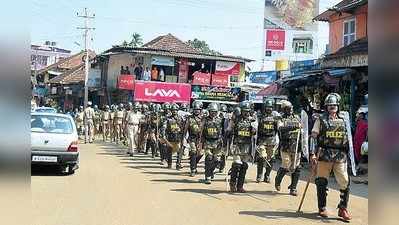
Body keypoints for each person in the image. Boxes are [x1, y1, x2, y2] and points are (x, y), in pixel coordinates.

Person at [310, 93, 352, 221]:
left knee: (344, 181)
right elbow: (313, 137)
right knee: (321, 181)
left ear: (338, 106)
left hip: (340, 155)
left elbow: (349, 137)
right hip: (324, 155)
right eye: (329, 106)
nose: (332, 108)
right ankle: (322, 207)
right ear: (326, 107)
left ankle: (343, 208)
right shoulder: (320, 119)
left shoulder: (345, 119)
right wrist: (312, 153)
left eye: (334, 105)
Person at [227, 101, 257, 192]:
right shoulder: (235, 119)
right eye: (244, 111)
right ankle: (232, 183)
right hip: (237, 144)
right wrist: (228, 132)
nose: (246, 113)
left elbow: (254, 132)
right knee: (237, 164)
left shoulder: (252, 120)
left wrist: (253, 129)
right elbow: (229, 128)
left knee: (244, 166)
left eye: (248, 111)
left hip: (247, 146)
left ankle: (240, 186)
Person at [274, 100, 302, 196]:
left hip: (296, 145)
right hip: (285, 145)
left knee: (296, 166)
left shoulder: (297, 117)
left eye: (291, 108)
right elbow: (280, 128)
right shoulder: (280, 118)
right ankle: (278, 180)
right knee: (286, 164)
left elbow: (302, 128)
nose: (290, 110)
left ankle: (293, 188)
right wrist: (292, 127)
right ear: (284, 109)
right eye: (288, 108)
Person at [256, 99, 279, 183]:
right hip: (262, 139)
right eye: (267, 107)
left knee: (271, 159)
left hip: (272, 140)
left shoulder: (276, 116)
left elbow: (278, 128)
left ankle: (267, 175)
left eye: (270, 107)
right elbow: (256, 127)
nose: (269, 109)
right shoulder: (260, 116)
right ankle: (259, 175)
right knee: (261, 157)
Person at [202, 103, 224, 184]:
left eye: (215, 111)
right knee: (209, 158)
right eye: (211, 111)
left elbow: (224, 131)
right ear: (209, 111)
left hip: (217, 142)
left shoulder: (220, 120)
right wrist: (200, 142)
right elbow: (201, 131)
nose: (213, 113)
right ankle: (207, 177)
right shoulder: (205, 119)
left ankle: (211, 172)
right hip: (208, 142)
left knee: (216, 160)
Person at [161, 103, 185, 169]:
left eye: (176, 110)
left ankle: (178, 163)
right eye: (173, 110)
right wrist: (163, 135)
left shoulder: (181, 119)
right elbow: (164, 127)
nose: (174, 111)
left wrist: (184, 136)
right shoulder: (168, 119)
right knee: (170, 151)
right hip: (170, 137)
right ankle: (169, 164)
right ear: (171, 111)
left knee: (180, 150)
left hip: (178, 137)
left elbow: (184, 128)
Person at [184, 101, 204, 177]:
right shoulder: (189, 118)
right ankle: (192, 169)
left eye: (198, 109)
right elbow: (185, 129)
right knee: (193, 151)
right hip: (192, 138)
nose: (196, 111)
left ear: (200, 110)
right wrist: (184, 139)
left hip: (201, 139)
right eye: (195, 109)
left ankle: (194, 163)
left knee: (201, 153)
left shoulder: (203, 119)